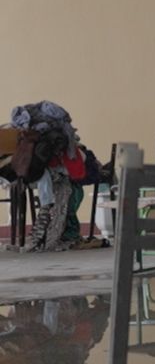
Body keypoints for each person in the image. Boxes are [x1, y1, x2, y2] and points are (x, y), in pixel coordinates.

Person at [5, 101, 92, 253]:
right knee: (61, 187)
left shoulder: (37, 134)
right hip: (42, 172)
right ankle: (47, 233)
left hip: (40, 172)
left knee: (61, 187)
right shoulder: (42, 133)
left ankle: (46, 232)